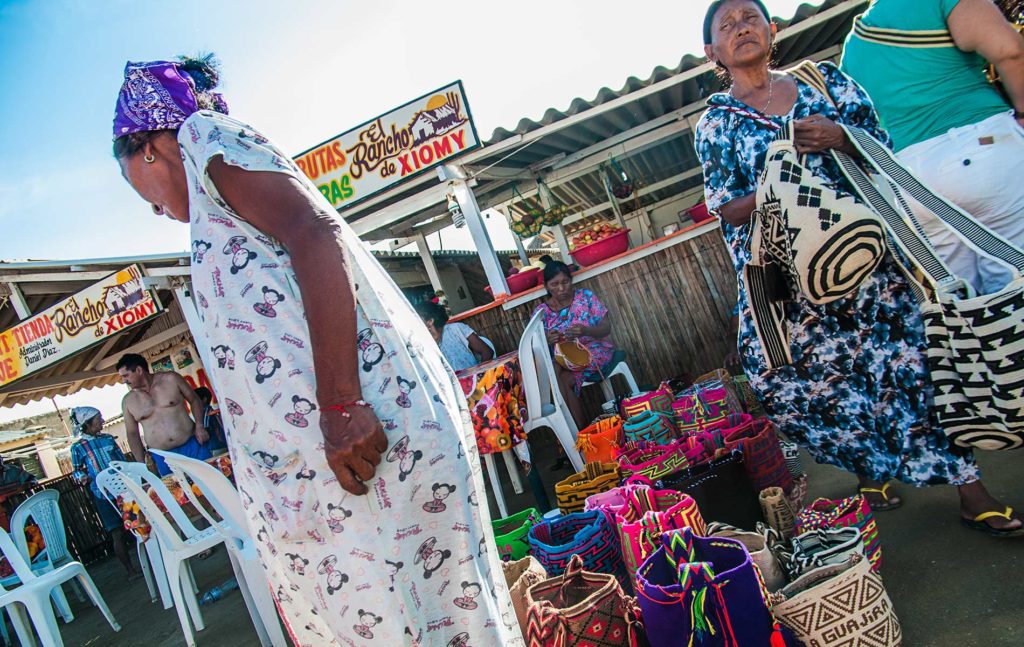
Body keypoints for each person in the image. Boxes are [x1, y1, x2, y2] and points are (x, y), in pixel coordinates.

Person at [112, 56, 520, 644]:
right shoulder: (208, 195)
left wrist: (340, 404)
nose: (150, 207)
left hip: (361, 443)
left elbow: (311, 233)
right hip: (340, 471)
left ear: (148, 145)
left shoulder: (203, 137)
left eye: (136, 186)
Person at [696, 0, 1021, 535]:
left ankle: (972, 492)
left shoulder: (825, 84)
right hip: (798, 284)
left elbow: (886, 148)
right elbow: (726, 208)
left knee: (917, 367)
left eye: (750, 18)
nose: (741, 29)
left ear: (772, 30)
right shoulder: (717, 125)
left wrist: (842, 137)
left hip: (870, 259)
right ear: (713, 53)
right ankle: (871, 468)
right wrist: (780, 175)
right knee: (816, 386)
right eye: (726, 27)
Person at [840, 0, 1024, 295]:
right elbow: (1010, 49)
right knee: (1016, 284)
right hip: (982, 151)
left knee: (970, 306)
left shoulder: (853, 44)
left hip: (914, 184)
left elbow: (861, 123)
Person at [533, 261, 616, 428]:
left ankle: (578, 431)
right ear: (546, 286)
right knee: (556, 371)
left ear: (571, 280)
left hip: (595, 350)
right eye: (554, 284)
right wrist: (547, 340)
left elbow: (606, 328)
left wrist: (586, 331)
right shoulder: (541, 313)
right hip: (563, 360)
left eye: (565, 282)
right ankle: (580, 430)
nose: (561, 288)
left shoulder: (585, 297)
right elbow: (535, 348)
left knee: (561, 379)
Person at [69, 407, 142, 580]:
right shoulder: (78, 448)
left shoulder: (108, 439)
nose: (102, 421)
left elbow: (122, 461)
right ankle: (130, 571)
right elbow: (76, 471)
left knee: (138, 523)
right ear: (87, 423)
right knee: (116, 532)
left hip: (123, 491)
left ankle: (152, 560)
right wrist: (83, 477)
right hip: (102, 495)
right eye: (98, 419)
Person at [117, 353, 212, 476]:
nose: (124, 381)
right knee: (179, 494)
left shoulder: (171, 379)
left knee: (212, 483)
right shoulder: (128, 401)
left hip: (192, 444)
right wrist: (142, 465)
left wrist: (200, 426)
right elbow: (132, 433)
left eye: (126, 375)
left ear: (139, 370)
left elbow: (194, 400)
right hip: (162, 457)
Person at [416, 301, 495, 371]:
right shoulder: (423, 344)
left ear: (430, 321)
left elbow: (487, 351)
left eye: (417, 319)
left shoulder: (456, 329)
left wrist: (479, 375)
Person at [193, 386, 227, 452]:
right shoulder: (210, 410)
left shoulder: (205, 412)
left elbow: (205, 429)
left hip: (215, 447)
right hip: (221, 445)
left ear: (204, 399)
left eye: (195, 400)